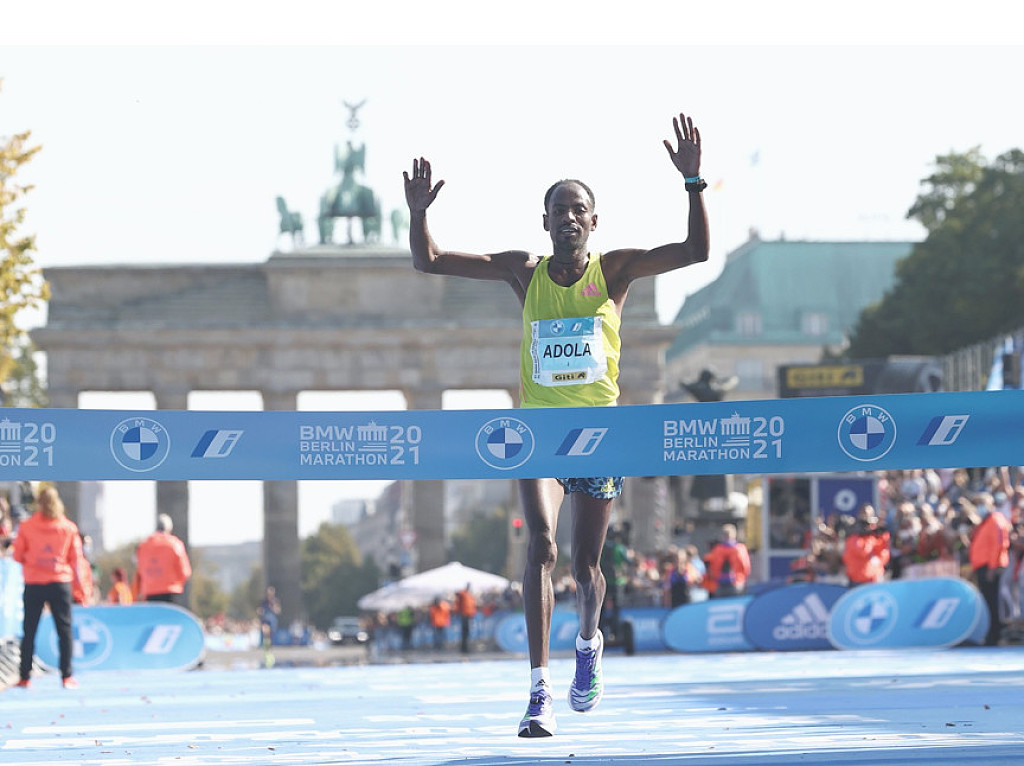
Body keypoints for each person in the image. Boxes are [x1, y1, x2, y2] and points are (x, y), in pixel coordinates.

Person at [403, 111, 709, 738]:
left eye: (579, 210)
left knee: (586, 570)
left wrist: (692, 182)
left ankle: (588, 642)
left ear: (594, 223)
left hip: (598, 438)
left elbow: (695, 251)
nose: (569, 218)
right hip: (539, 435)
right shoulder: (525, 270)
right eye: (558, 210)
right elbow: (429, 262)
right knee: (540, 546)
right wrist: (418, 213)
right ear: (544, 223)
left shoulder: (614, 271)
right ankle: (538, 689)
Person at [10, 486, 89, 689]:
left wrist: (34, 561)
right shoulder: (68, 528)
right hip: (59, 582)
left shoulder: (27, 526)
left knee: (29, 630)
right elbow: (76, 560)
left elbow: (17, 555)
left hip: (34, 583)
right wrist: (82, 591)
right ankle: (66, 676)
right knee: (64, 630)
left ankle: (25, 677)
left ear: (39, 503)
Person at [970, 492, 1012, 645]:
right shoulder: (985, 522)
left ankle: (996, 635)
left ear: (991, 504)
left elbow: (998, 544)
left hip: (991, 567)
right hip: (984, 567)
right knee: (989, 602)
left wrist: (992, 568)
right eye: (978, 504)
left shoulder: (995, 519)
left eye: (982, 503)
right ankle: (992, 634)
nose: (980, 507)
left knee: (994, 602)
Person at [135, 513, 192, 604]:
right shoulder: (175, 544)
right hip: (170, 591)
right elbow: (185, 571)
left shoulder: (143, 545)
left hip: (149, 591)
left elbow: (140, 569)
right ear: (169, 528)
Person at [842, 503, 891, 585]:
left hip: (873, 578)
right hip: (855, 577)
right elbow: (860, 550)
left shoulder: (878, 533)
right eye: (863, 514)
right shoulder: (853, 532)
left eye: (868, 515)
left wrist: (877, 533)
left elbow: (884, 555)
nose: (866, 517)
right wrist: (866, 536)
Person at [703, 523, 752, 598]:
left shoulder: (718, 549)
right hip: (733, 583)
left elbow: (712, 567)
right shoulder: (740, 548)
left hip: (726, 583)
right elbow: (746, 567)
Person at [454, 583, 477, 654]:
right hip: (464, 615)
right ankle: (464, 647)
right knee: (464, 632)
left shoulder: (470, 595)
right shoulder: (464, 594)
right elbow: (458, 595)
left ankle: (466, 647)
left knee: (467, 632)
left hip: (469, 615)